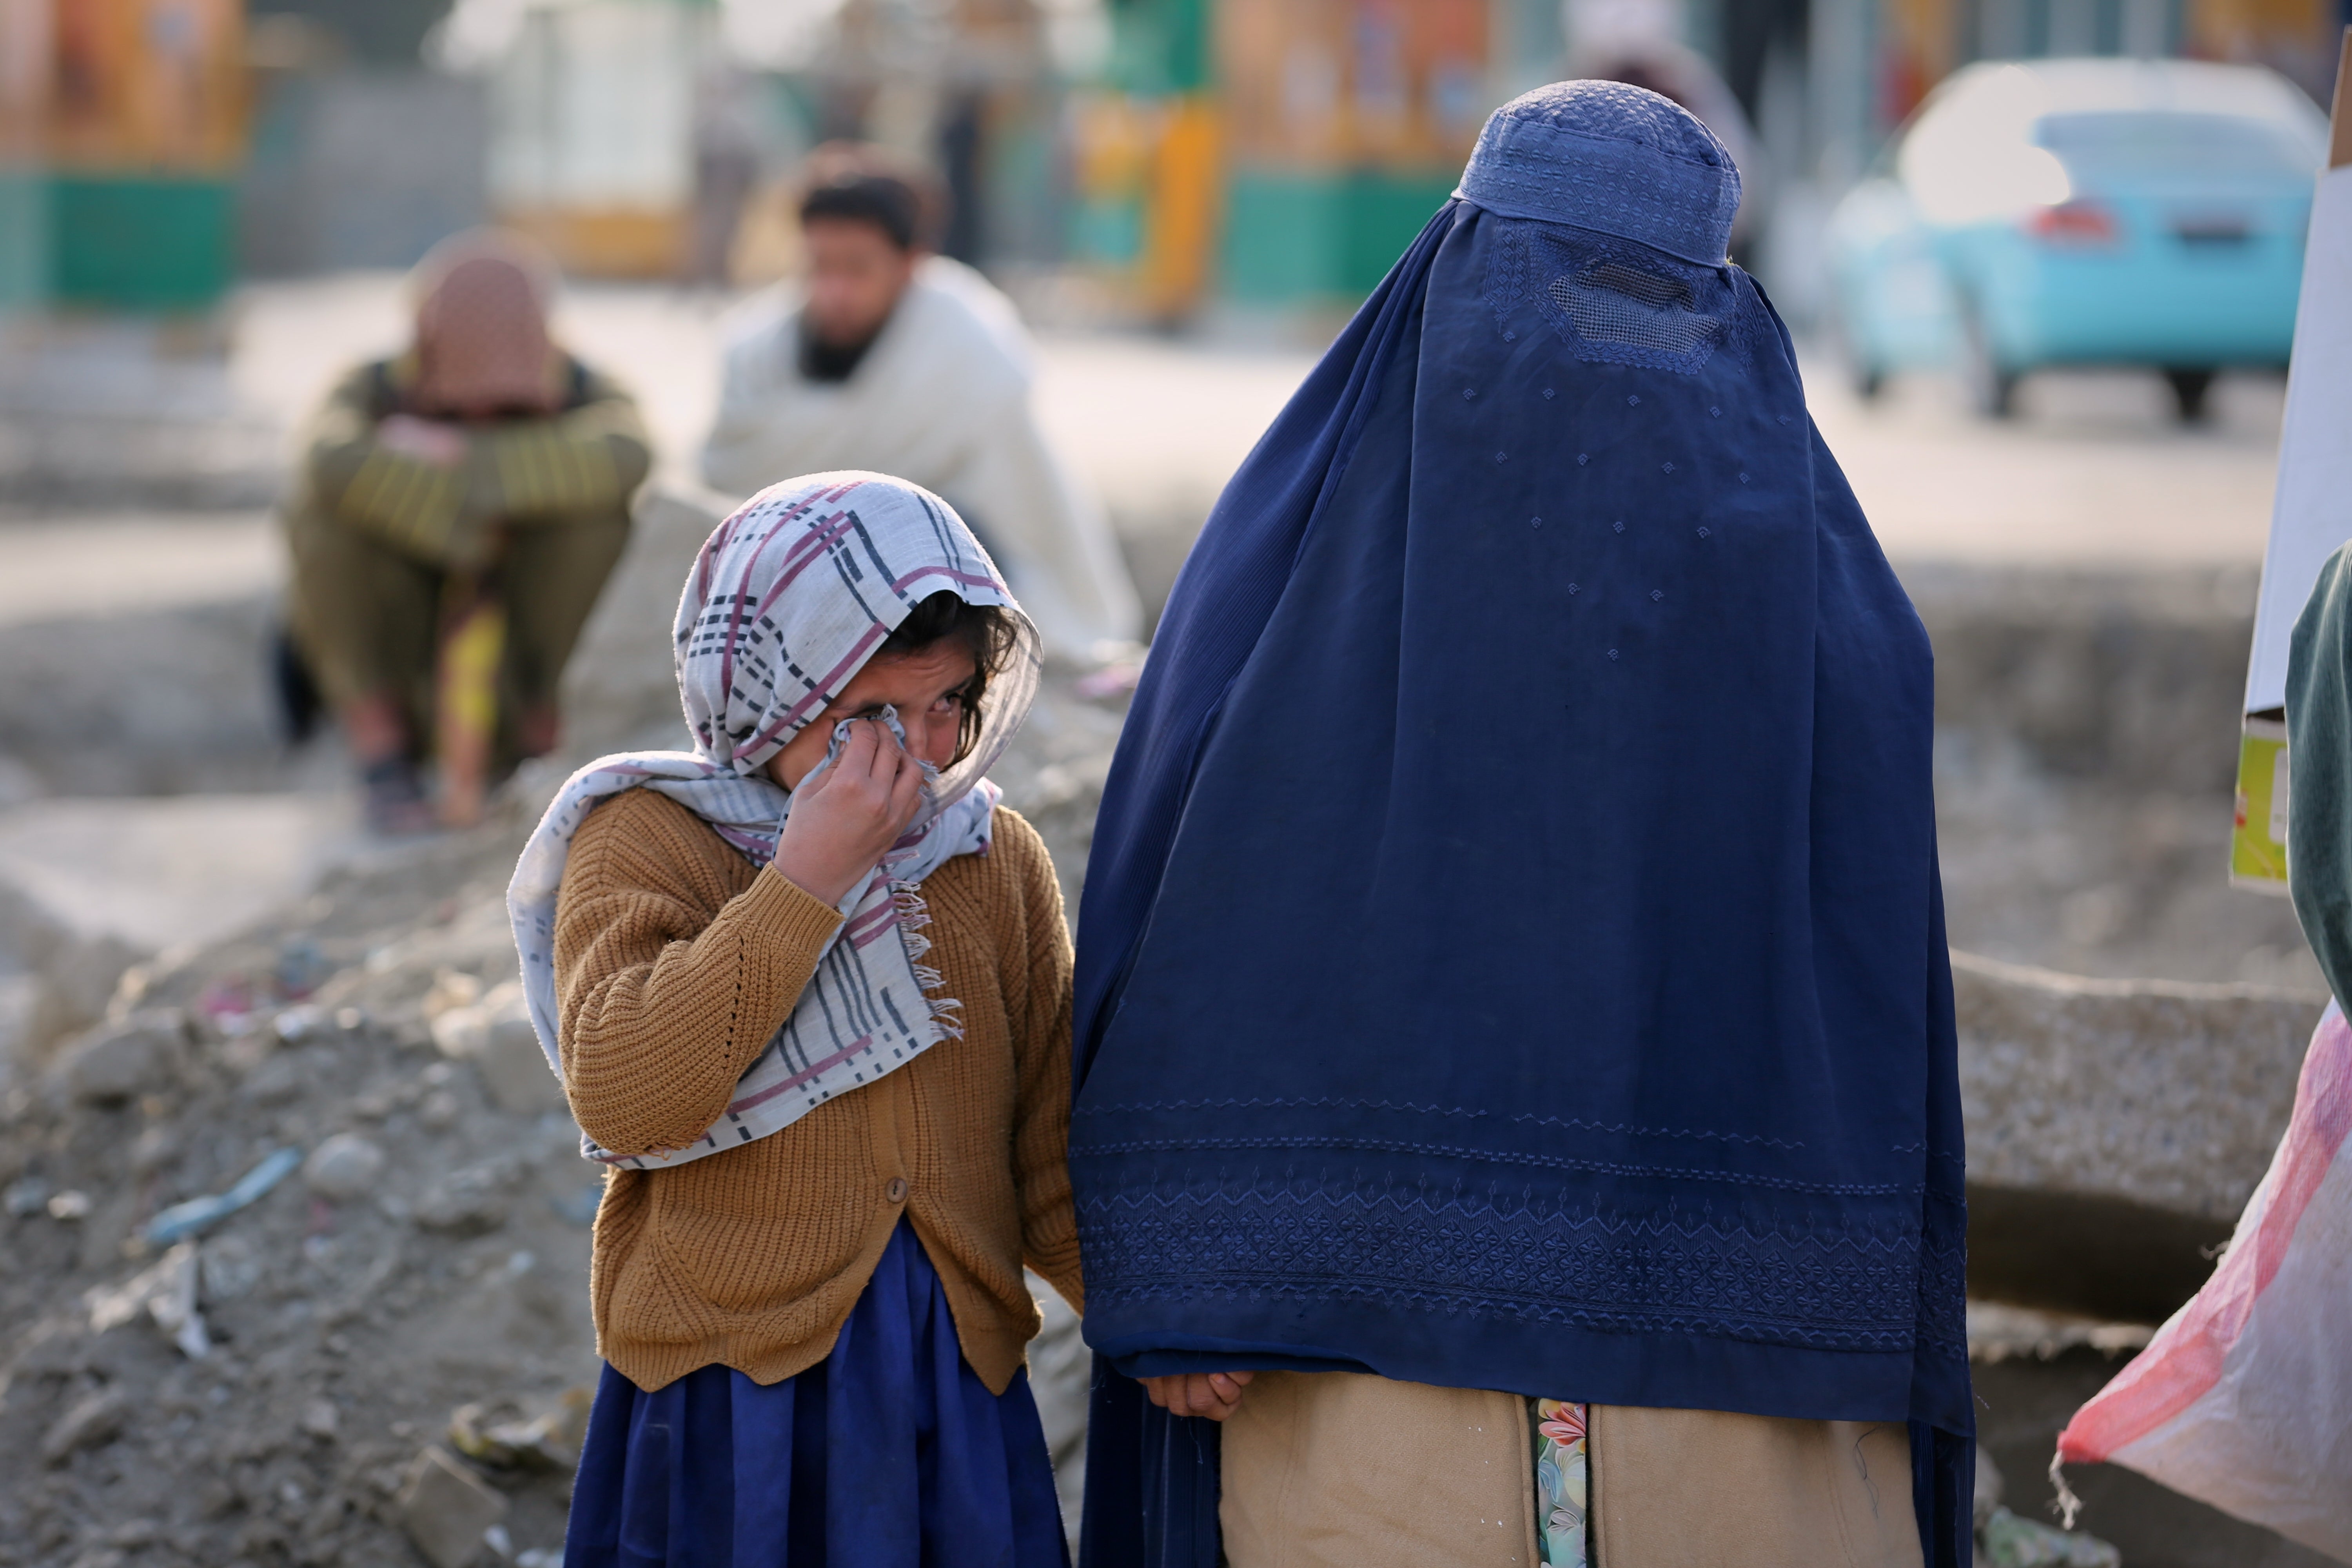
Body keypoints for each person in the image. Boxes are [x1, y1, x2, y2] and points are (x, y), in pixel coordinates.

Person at [1067, 82, 1971, 1568]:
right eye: (1563, 289)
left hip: (1430, 1369)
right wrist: (1183, 1277)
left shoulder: (1300, 570)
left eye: (1647, 305)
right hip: (1493, 1372)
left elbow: (1173, 904)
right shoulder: (1832, 609)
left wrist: (1189, 1266)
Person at [508, 472, 1082, 1566]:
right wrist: (809, 881)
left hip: (949, 1391)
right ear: (767, 686)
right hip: (731, 1399)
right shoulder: (646, 838)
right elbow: (631, 1097)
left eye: (949, 706)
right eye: (869, 718)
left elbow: (1049, 1153)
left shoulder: (992, 861)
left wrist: (1171, 1330)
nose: (916, 760)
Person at [701, 146, 1141, 660]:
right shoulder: (756, 352)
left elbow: (1003, 515)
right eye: (820, 267)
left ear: (910, 265)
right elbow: (728, 470)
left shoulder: (967, 347)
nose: (835, 292)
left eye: (858, 270)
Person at [281, 230, 651, 832]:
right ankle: (382, 751)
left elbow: (628, 453)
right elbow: (329, 458)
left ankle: (548, 744)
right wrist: (475, 525)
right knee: (319, 517)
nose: (482, 416)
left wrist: (452, 462)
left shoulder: (583, 387)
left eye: (506, 409)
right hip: (411, 663)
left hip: (523, 672)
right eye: (462, 406)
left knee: (597, 519)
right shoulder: (373, 387)